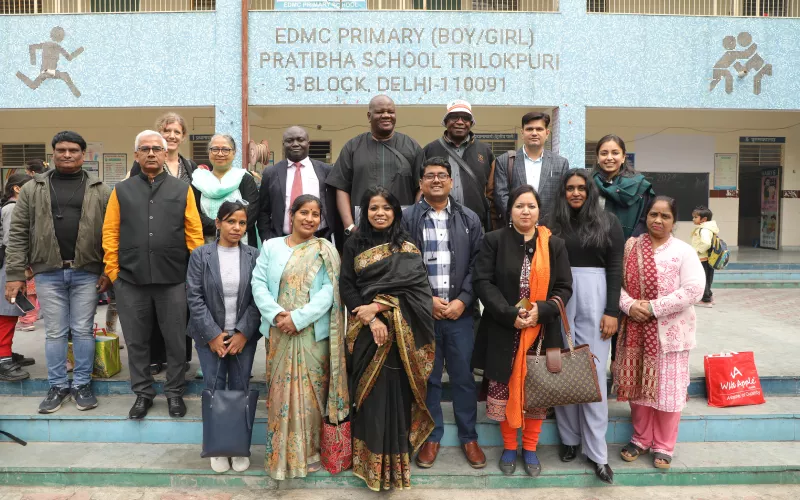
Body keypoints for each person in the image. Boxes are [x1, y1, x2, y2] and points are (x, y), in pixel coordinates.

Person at [5, 131, 111, 413]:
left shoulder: (100, 188)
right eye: (61, 150)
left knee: (83, 331)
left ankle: (81, 385)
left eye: (73, 150)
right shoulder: (33, 188)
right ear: (53, 153)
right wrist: (15, 273)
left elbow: (112, 234)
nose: (67, 154)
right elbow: (17, 233)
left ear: (83, 154)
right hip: (48, 271)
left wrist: (107, 270)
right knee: (54, 332)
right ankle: (57, 386)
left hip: (87, 271)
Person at [102, 130, 204, 420]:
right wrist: (113, 271)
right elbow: (110, 232)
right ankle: (143, 393)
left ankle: (174, 393)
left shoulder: (181, 189)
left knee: (174, 340)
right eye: (144, 149)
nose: (150, 153)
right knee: (136, 341)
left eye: (156, 149)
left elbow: (194, 234)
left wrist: (194, 272)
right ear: (136, 155)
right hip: (130, 280)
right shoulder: (121, 190)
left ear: (164, 154)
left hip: (173, 279)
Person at [472, 184, 572, 477]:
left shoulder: (554, 245)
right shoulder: (494, 241)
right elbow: (482, 282)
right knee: (505, 389)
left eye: (530, 206)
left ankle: (529, 448)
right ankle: (508, 446)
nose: (525, 211)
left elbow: (564, 287)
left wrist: (542, 310)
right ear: (509, 210)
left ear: (539, 211)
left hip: (541, 331)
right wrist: (509, 314)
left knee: (537, 394)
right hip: (504, 329)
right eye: (519, 206)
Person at [341, 187, 434, 491]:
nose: (379, 213)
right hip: (366, 331)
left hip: (403, 333)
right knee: (369, 396)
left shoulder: (407, 243)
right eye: (372, 208)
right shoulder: (355, 241)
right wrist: (369, 317)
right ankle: (367, 464)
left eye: (386, 207)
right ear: (364, 212)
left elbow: (418, 290)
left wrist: (380, 307)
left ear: (396, 211)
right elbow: (347, 285)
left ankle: (395, 468)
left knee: (397, 395)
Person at [252, 194, 347, 480]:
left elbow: (330, 291)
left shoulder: (326, 249)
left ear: (321, 219)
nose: (309, 218)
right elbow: (258, 283)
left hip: (311, 335)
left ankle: (312, 452)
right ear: (291, 215)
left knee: (311, 396)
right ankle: (281, 454)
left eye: (315, 214)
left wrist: (298, 318)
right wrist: (278, 315)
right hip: (278, 331)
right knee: (281, 395)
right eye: (303, 212)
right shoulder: (270, 247)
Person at [401, 157, 485, 469]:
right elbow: (404, 264)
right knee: (430, 378)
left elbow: (479, 264)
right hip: (424, 314)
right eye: (430, 176)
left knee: (463, 377)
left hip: (460, 314)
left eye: (442, 176)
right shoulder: (408, 218)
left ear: (451, 182)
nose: (436, 180)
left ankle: (469, 437)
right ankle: (432, 436)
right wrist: (427, 300)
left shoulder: (469, 218)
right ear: (421, 183)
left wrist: (464, 299)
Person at [545, 169, 624, 484]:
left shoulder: (609, 223)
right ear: (563, 192)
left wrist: (612, 311)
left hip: (596, 295)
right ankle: (569, 439)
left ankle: (597, 453)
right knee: (564, 369)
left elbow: (616, 267)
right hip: (560, 294)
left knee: (591, 373)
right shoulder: (554, 223)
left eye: (581, 188)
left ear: (590, 191)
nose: (575, 193)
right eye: (570, 188)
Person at [616, 196, 705, 470]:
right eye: (654, 214)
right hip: (635, 330)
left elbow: (694, 290)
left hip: (671, 334)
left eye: (665, 216)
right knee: (639, 389)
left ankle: (664, 446)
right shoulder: (631, 248)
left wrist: (654, 307)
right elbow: (615, 284)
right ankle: (640, 439)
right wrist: (629, 305)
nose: (658, 220)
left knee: (668, 392)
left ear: (674, 221)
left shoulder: (683, 251)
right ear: (646, 216)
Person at [186, 201, 261, 474]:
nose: (237, 227)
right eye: (231, 221)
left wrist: (243, 333)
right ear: (218, 223)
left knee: (240, 389)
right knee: (214, 388)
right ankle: (217, 446)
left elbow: (259, 298)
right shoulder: (200, 255)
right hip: (209, 337)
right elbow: (194, 297)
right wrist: (213, 335)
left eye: (242, 223)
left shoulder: (254, 255)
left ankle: (239, 445)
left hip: (243, 337)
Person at [129, 112, 203, 375]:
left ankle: (179, 357)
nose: (172, 136)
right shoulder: (143, 162)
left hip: (180, 248)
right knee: (151, 306)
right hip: (150, 245)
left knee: (179, 307)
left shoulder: (191, 167)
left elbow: (196, 207)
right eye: (168, 131)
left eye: (177, 132)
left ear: (183, 136)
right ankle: (155, 357)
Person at [326, 95, 423, 240]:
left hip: (402, 228)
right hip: (362, 230)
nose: (386, 115)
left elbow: (421, 187)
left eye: (390, 112)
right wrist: (350, 226)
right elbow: (341, 187)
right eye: (380, 112)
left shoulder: (411, 146)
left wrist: (414, 221)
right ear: (369, 116)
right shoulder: (352, 147)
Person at [256, 126, 338, 244]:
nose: (295, 144)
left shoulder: (325, 170)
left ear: (308, 143)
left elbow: (334, 206)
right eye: (290, 141)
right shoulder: (271, 173)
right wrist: (267, 238)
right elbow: (263, 210)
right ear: (284, 144)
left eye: (300, 140)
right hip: (281, 241)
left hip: (319, 240)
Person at [422, 100, 496, 231]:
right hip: (436, 223)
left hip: (475, 224)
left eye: (466, 118)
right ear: (446, 122)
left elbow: (491, 191)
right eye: (454, 117)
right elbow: (421, 188)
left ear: (471, 123)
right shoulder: (430, 150)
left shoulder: (485, 151)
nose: (460, 122)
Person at [493, 112, 569, 224]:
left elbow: (562, 198)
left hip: (549, 230)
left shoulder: (561, 163)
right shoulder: (505, 161)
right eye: (529, 129)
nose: (534, 133)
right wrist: (517, 220)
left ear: (547, 133)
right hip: (515, 229)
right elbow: (501, 196)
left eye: (539, 129)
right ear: (522, 133)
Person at [192, 134, 259, 247]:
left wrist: (228, 227)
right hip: (206, 244)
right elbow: (194, 213)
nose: (220, 153)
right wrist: (220, 227)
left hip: (241, 244)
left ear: (234, 153)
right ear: (209, 152)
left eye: (225, 149)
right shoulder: (198, 180)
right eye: (215, 149)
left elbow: (252, 212)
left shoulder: (244, 178)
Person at [0, 174, 35, 381]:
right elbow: (12, 242)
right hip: (8, 266)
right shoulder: (13, 209)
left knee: (11, 311)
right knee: (6, 312)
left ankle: (6, 354)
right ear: (17, 189)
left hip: (9, 264)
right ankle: (3, 359)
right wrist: (21, 269)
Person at [592, 134, 655, 241]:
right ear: (598, 158)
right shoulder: (589, 185)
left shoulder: (639, 186)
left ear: (623, 157)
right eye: (604, 153)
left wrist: (632, 243)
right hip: (594, 247)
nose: (609, 158)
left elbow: (647, 219)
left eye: (615, 153)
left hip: (631, 247)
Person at [691, 206, 719, 307]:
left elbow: (706, 243)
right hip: (708, 258)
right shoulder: (708, 228)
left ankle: (706, 300)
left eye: (695, 217)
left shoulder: (704, 230)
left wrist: (696, 251)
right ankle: (709, 296)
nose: (693, 219)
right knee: (707, 278)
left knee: (703, 279)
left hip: (702, 258)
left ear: (704, 219)